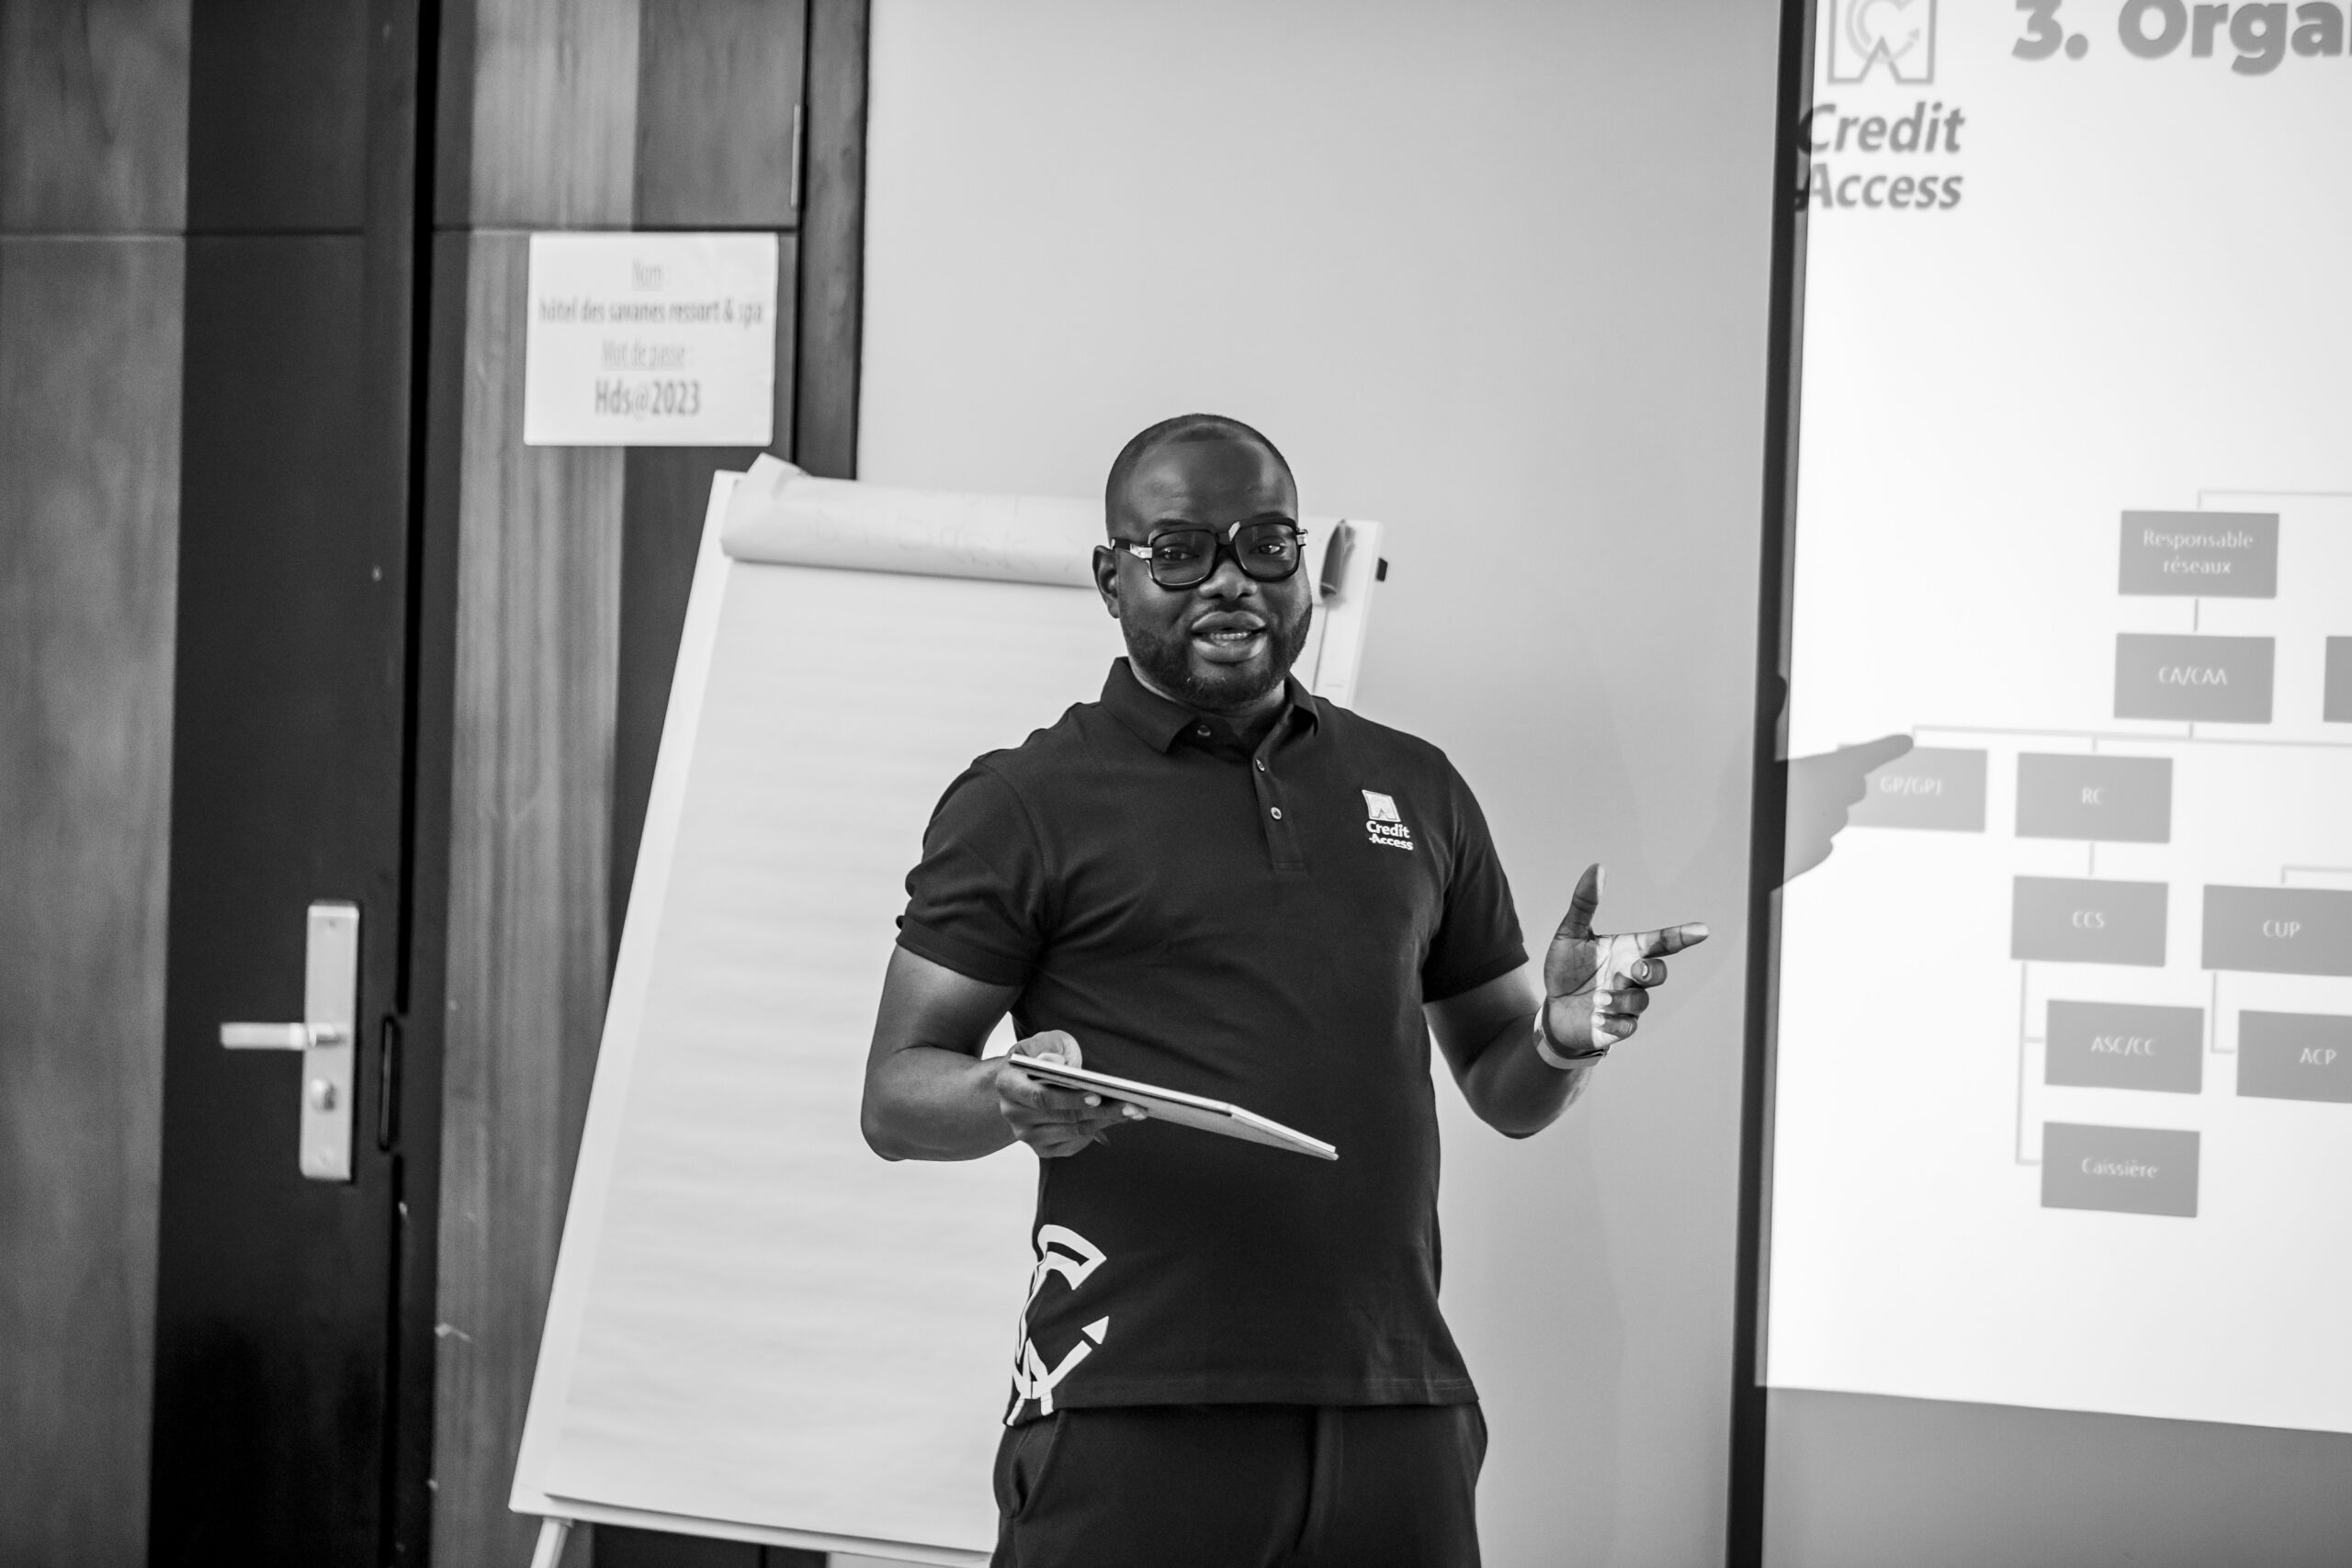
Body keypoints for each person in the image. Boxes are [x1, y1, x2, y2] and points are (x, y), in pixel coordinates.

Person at [859, 413, 1707, 1567]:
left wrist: (1560, 1038)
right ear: (1110, 580)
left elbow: (1504, 1089)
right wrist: (1004, 1094)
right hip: (1133, 1406)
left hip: (1396, 1403)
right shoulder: (1024, 801)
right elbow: (896, 1098)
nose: (1230, 581)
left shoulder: (1416, 785)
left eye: (1265, 545)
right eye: (1179, 552)